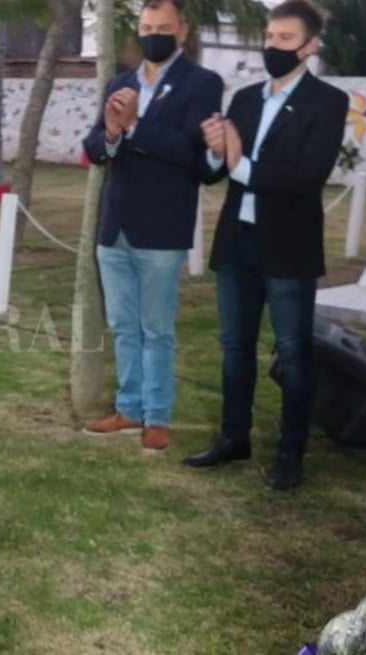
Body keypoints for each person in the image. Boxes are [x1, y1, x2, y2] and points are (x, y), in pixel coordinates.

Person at [184, 0, 348, 490]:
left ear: (310, 45)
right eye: (269, 37)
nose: (272, 47)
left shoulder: (328, 102)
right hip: (237, 242)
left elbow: (307, 177)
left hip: (288, 247)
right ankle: (234, 437)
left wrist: (239, 163)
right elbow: (213, 173)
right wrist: (217, 153)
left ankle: (290, 452)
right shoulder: (244, 99)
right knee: (235, 348)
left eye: (284, 39)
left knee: (293, 352)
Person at [80, 0, 223, 450]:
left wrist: (136, 126)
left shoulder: (202, 84)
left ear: (182, 31)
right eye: (146, 27)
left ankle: (157, 416)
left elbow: (189, 153)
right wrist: (112, 132)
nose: (153, 35)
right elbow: (95, 147)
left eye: (163, 27)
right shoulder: (120, 83)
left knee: (157, 329)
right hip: (115, 228)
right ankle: (129, 408)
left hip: (162, 229)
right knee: (123, 325)